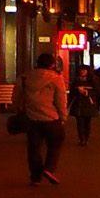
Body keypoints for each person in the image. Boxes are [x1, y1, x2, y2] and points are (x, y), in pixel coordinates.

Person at [17, 52, 68, 185]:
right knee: (56, 143)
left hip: (31, 118)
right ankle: (49, 168)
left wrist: (18, 108)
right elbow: (60, 100)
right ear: (52, 64)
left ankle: (35, 177)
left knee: (33, 148)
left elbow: (16, 97)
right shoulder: (56, 78)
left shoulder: (24, 77)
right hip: (51, 118)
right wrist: (63, 116)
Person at [68, 66, 99, 146]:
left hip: (88, 104)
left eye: (84, 70)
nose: (82, 72)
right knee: (79, 122)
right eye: (81, 70)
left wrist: (87, 92)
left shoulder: (93, 80)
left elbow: (97, 91)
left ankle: (86, 138)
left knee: (87, 122)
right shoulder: (76, 80)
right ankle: (82, 139)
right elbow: (71, 93)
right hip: (78, 104)